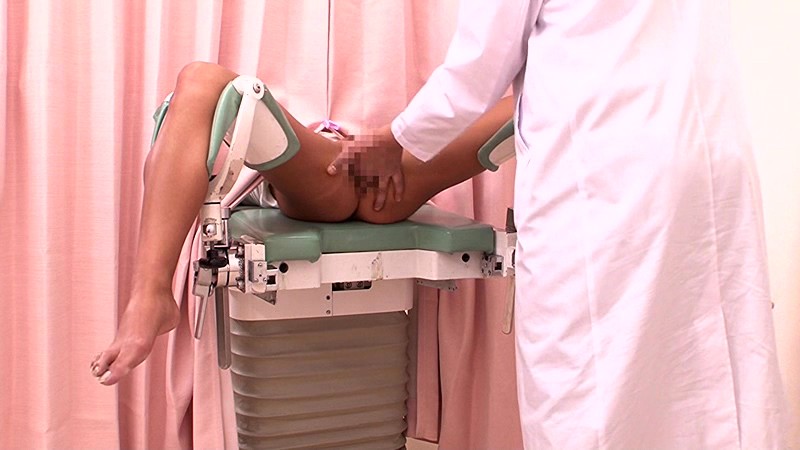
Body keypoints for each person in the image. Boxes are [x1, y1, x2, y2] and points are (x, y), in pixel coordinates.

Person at [330, 0, 787, 448]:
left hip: (605, 178)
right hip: (707, 158)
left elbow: (477, 69)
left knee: (587, 388)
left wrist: (395, 138)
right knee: (702, 375)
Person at [88, 61, 514, 386]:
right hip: (376, 177)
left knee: (199, 79)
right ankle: (149, 296)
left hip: (363, 173)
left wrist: (378, 143)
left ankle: (151, 293)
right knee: (537, 99)